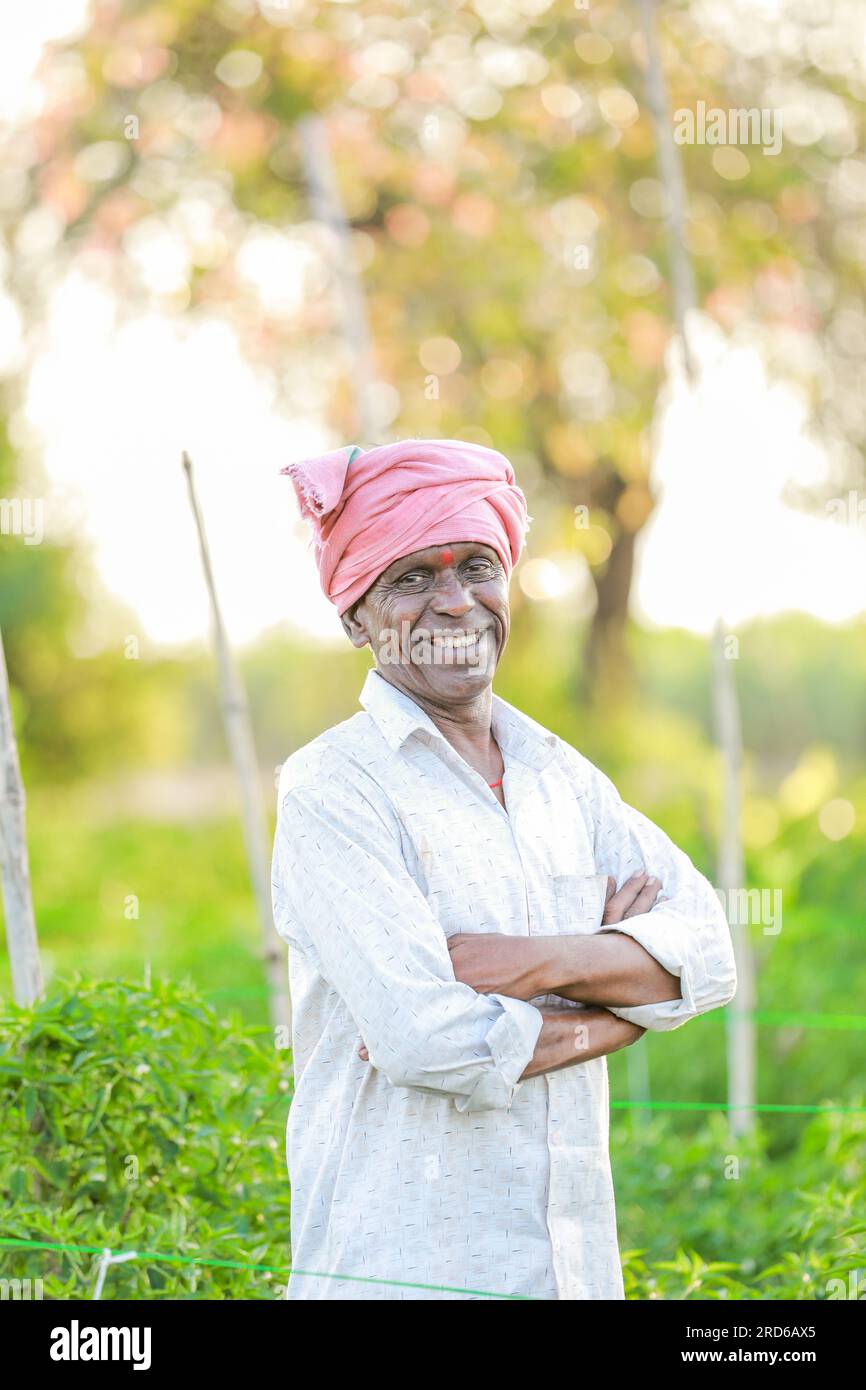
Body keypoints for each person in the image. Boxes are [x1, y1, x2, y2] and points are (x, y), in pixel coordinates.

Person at [270, 438, 737, 1301]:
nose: (456, 602)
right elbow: (427, 1042)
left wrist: (537, 961)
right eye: (411, 578)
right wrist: (620, 1010)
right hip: (403, 1274)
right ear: (355, 616)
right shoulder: (332, 791)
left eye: (477, 566)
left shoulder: (561, 777)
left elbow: (707, 949)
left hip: (569, 1271)